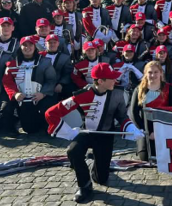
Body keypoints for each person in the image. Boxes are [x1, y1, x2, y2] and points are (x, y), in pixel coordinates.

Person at [46, 63, 145, 203]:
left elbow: (122, 116)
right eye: (111, 78)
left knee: (101, 178)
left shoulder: (117, 93)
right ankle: (84, 185)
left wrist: (131, 129)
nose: (115, 80)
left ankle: (97, 166)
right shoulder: (82, 95)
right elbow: (51, 113)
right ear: (100, 81)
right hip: (87, 133)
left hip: (105, 135)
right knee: (73, 151)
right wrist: (68, 132)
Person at [2, 36, 58, 134]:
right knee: (29, 129)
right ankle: (14, 123)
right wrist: (15, 94)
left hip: (40, 96)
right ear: (20, 47)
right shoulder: (12, 64)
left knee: (47, 107)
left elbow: (51, 80)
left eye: (30, 45)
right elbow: (7, 81)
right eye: (25, 45)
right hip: (22, 97)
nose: (28, 47)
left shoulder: (45, 62)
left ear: (35, 46)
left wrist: (43, 93)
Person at [129, 61, 172, 161]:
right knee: (145, 157)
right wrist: (147, 132)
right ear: (145, 74)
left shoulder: (169, 89)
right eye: (150, 72)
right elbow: (133, 113)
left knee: (167, 156)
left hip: (164, 128)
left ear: (161, 73)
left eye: (156, 72)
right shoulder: (139, 89)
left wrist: (161, 131)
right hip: (146, 129)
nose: (153, 75)